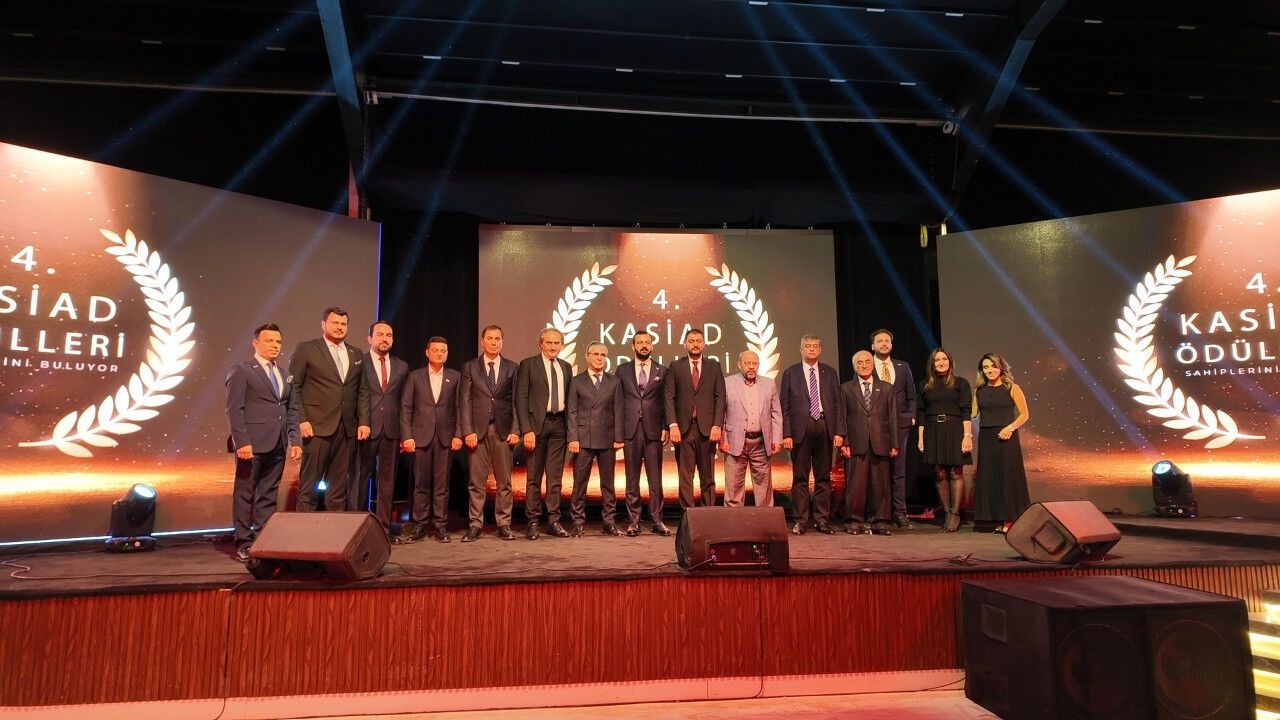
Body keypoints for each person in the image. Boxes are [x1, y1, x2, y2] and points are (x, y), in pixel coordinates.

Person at [225, 323, 301, 562]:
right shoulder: (242, 370)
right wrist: (241, 442)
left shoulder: (283, 373)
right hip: (251, 444)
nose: (275, 345)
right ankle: (243, 541)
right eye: (269, 341)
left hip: (278, 443)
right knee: (245, 493)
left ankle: (262, 538)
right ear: (256, 343)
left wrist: (295, 439)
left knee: (268, 494)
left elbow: (290, 409)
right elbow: (234, 409)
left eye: (278, 341)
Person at [289, 307, 371, 512]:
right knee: (309, 487)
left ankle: (334, 531)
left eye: (343, 324)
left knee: (338, 488)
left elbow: (362, 390)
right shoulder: (306, 349)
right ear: (323, 324)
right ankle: (304, 531)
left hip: (346, 429)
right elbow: (295, 387)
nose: (339, 327)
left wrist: (364, 421)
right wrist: (302, 419)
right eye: (335, 323)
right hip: (316, 427)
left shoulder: (356, 353)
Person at [458, 325, 521, 542]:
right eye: (490, 338)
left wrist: (516, 429)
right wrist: (467, 431)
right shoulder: (470, 367)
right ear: (482, 341)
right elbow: (464, 401)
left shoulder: (512, 367)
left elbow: (516, 401)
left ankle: (503, 524)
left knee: (504, 482)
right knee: (476, 482)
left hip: (502, 430)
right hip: (477, 431)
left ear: (502, 342)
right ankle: (475, 525)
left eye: (497, 339)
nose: (494, 342)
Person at [779, 334, 845, 534]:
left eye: (815, 346)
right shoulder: (791, 373)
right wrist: (786, 433)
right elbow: (784, 405)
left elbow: (838, 404)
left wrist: (839, 431)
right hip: (800, 430)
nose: (811, 349)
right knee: (800, 477)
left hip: (825, 427)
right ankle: (801, 520)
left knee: (823, 477)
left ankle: (821, 519)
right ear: (801, 349)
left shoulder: (830, 372)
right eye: (807, 346)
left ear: (820, 349)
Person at [400, 337, 462, 542]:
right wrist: (407, 436)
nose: (439, 353)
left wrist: (458, 434)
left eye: (443, 350)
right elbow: (406, 408)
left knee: (442, 486)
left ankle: (440, 526)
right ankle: (419, 525)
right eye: (435, 350)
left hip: (445, 438)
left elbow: (460, 408)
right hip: (420, 437)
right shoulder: (414, 376)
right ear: (427, 352)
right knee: (421, 483)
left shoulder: (455, 377)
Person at [515, 327, 574, 540]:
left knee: (555, 478)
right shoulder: (528, 364)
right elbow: (521, 398)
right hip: (536, 427)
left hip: (559, 426)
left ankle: (553, 521)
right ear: (541, 344)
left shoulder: (566, 367)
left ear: (562, 345)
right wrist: (526, 430)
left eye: (556, 343)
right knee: (534, 477)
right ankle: (532, 521)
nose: (552, 346)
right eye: (549, 342)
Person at [354, 321, 408, 537]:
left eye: (389, 335)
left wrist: (405, 433)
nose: (385, 338)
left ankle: (383, 530)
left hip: (392, 430)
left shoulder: (401, 366)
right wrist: (360, 422)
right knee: (359, 479)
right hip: (365, 429)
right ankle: (357, 529)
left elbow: (404, 402)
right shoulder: (359, 362)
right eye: (380, 334)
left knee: (387, 482)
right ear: (370, 338)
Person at [566, 342, 625, 536]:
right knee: (579, 484)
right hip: (583, 439)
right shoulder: (576, 381)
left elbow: (618, 410)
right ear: (587, 356)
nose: (599, 358)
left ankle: (609, 522)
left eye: (602, 355)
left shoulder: (614, 381)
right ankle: (577, 522)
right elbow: (571, 412)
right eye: (595, 354)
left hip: (607, 439)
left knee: (608, 484)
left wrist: (619, 437)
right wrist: (573, 438)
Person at [663, 328, 726, 508]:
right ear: (685, 344)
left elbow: (720, 397)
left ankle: (708, 514)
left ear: (704, 344)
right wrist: (672, 425)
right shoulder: (676, 366)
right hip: (683, 430)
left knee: (708, 477)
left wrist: (717, 425)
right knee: (685, 476)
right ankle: (688, 515)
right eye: (691, 341)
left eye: (699, 341)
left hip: (707, 430)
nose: (695, 344)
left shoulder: (714, 366)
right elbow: (668, 397)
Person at [616, 330, 671, 536]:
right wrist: (618, 432)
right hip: (630, 430)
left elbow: (666, 402)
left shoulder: (662, 370)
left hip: (653, 430)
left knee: (655, 478)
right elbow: (617, 403)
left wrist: (665, 427)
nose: (644, 345)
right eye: (640, 342)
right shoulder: (622, 370)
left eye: (647, 342)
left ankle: (657, 520)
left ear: (652, 346)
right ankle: (633, 521)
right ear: (633, 346)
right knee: (632, 478)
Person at [840, 351, 898, 535]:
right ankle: (853, 522)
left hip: (881, 442)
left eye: (867, 362)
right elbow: (842, 417)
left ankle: (881, 522)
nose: (864, 365)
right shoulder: (846, 388)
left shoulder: (886, 388)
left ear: (873, 365)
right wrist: (844, 442)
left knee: (881, 485)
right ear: (854, 366)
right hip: (855, 443)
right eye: (859, 362)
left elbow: (893, 418)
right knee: (855, 486)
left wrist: (895, 444)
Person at [971, 353, 1031, 533]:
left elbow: (1024, 414)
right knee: (990, 477)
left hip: (1007, 437)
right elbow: (972, 414)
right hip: (986, 438)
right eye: (985, 367)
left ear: (1001, 367)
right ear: (982, 371)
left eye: (993, 366)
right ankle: (996, 517)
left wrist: (1010, 428)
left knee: (1008, 476)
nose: (990, 370)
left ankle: (1010, 519)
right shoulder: (979, 391)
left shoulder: (1011, 388)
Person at [916, 347, 973, 533]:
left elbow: (966, 411)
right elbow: (921, 412)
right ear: (932, 364)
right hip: (933, 430)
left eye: (944, 359)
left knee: (956, 473)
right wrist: (920, 438)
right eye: (937, 360)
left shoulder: (961, 383)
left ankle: (955, 514)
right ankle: (947, 512)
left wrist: (967, 436)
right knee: (939, 473)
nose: (941, 363)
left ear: (950, 362)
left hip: (955, 429)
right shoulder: (925, 385)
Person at [719, 350, 783, 507]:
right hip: (734, 443)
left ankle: (764, 521)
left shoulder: (769, 383)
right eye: (747, 363)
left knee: (764, 491)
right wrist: (722, 439)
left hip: (761, 443)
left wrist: (776, 439)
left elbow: (776, 413)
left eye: (755, 363)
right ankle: (733, 521)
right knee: (733, 489)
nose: (751, 367)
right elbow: (721, 414)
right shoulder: (727, 383)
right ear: (739, 365)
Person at [870, 329, 916, 529]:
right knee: (877, 471)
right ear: (873, 345)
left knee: (898, 470)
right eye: (879, 341)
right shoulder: (866, 364)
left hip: (901, 425)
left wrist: (911, 416)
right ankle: (879, 513)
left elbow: (911, 395)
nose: (883, 344)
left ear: (891, 344)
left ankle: (899, 512)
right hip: (875, 426)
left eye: (887, 341)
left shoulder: (903, 367)